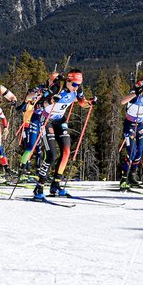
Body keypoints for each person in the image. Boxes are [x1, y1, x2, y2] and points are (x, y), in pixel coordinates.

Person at [31, 69, 96, 200]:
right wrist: (50, 101)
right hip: (46, 120)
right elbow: (37, 106)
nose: (76, 87)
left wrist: (90, 103)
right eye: (75, 84)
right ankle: (39, 185)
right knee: (52, 155)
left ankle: (56, 184)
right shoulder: (56, 88)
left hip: (60, 120)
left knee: (66, 151)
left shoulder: (77, 90)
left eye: (79, 84)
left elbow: (82, 103)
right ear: (68, 81)